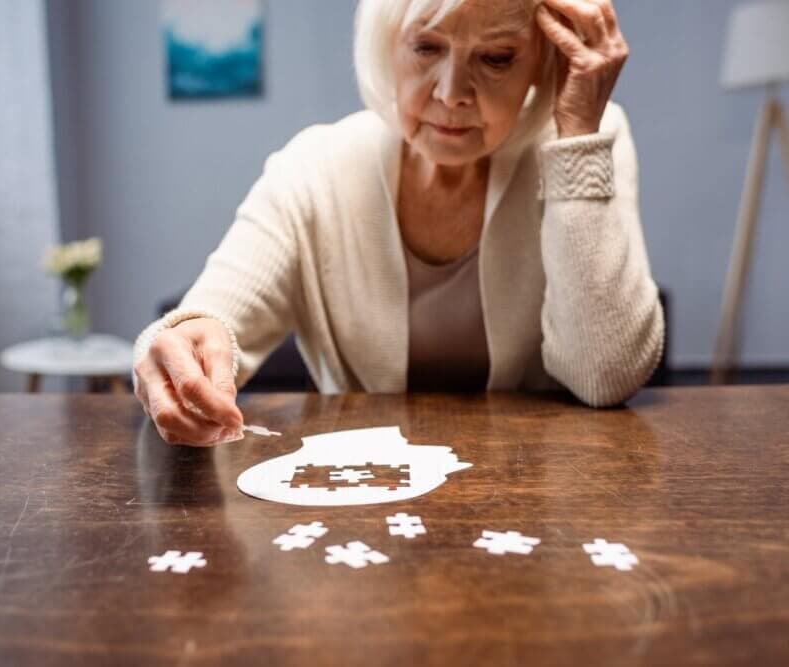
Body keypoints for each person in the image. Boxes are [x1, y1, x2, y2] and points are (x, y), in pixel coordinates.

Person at [132, 0, 663, 446]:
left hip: (540, 501)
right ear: (386, 44)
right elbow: (206, 319)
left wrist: (577, 141)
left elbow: (605, 377)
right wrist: (179, 346)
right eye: (427, 47)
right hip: (363, 506)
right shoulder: (314, 166)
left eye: (497, 58)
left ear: (544, 62)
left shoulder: (586, 137)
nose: (452, 92)